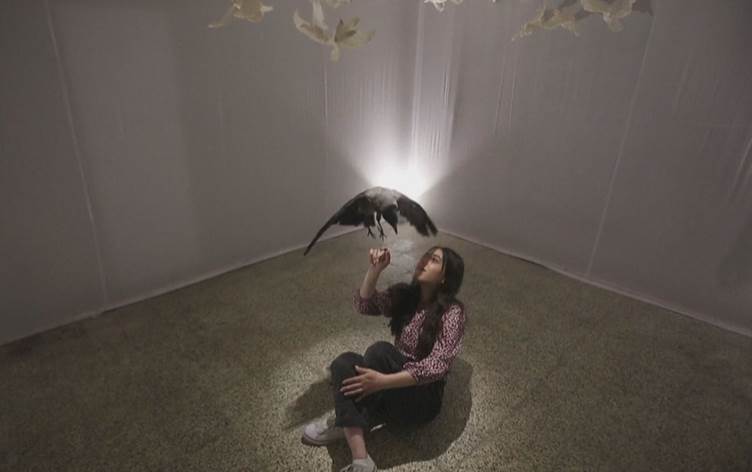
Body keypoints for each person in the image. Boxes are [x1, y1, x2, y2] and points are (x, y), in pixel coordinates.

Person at [302, 245, 467, 472]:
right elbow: (363, 305)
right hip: (391, 384)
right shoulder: (407, 295)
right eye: (426, 255)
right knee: (343, 363)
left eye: (434, 260)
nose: (425, 260)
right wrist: (375, 269)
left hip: (421, 400)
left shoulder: (452, 313)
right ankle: (360, 455)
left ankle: (348, 416)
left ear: (445, 278)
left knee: (379, 352)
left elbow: (438, 365)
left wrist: (381, 382)